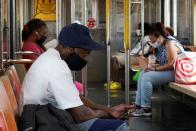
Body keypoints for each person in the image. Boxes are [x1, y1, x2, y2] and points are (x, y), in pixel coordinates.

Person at [22, 23, 133, 131]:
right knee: (119, 126)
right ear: (69, 48)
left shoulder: (50, 58)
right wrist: (109, 114)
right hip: (44, 122)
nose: (85, 60)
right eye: (84, 54)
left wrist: (110, 109)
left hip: (42, 117)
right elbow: (81, 116)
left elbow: (77, 98)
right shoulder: (57, 67)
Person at [132, 22, 184, 117]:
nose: (152, 43)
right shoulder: (161, 44)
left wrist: (154, 68)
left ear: (159, 36)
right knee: (143, 73)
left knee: (147, 77)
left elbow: (171, 64)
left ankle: (146, 108)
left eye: (153, 40)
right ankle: (138, 104)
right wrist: (153, 55)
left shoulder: (170, 43)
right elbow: (161, 61)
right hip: (168, 70)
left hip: (176, 72)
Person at [107, 23, 151, 89]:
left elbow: (145, 51)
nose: (138, 30)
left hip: (139, 58)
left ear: (144, 29)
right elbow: (136, 48)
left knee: (115, 59)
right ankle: (113, 81)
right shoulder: (141, 38)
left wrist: (134, 53)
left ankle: (116, 82)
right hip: (134, 55)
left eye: (139, 28)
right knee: (114, 55)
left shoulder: (147, 38)